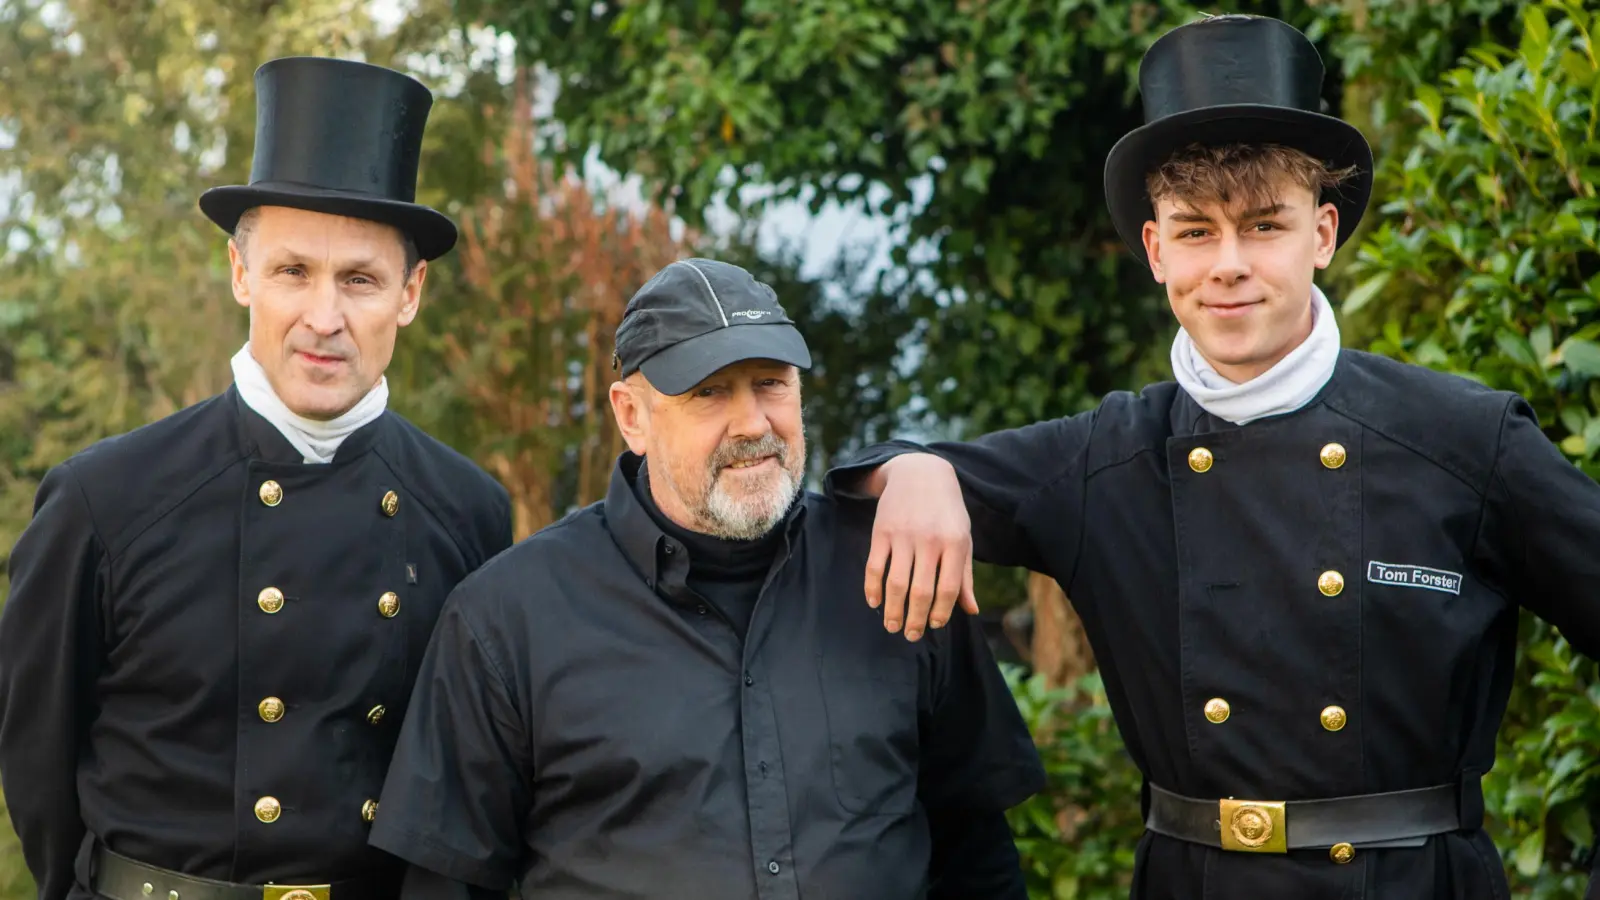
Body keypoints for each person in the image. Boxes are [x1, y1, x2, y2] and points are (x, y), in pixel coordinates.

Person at [824, 13, 1600, 899]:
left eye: (1265, 226)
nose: (1227, 265)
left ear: (1323, 234)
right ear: (1156, 251)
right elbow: (856, 487)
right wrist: (915, 469)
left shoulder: (1466, 439)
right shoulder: (1104, 461)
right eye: (1195, 232)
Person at [367, 258, 1046, 899]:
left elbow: (977, 853)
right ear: (631, 416)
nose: (752, 423)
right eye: (709, 393)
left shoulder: (897, 569)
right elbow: (446, 886)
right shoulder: (506, 619)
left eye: (771, 382)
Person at [0, 57, 512, 900]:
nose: (324, 318)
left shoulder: (467, 512)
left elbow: (471, 788)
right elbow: (38, 770)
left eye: (360, 280)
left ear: (410, 294)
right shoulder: (104, 500)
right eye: (292, 272)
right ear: (242, 275)